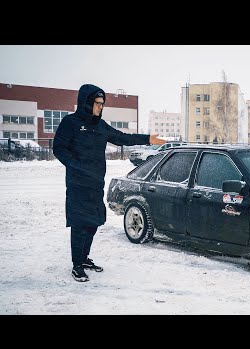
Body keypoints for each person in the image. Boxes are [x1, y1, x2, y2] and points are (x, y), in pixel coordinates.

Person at [53, 84, 166, 282]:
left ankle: (85, 258)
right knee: (80, 225)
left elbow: (122, 138)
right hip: (78, 184)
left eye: (102, 104)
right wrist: (75, 166)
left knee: (93, 223)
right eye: (97, 103)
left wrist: (148, 138)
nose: (100, 107)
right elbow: (59, 148)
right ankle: (77, 265)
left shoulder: (100, 125)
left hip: (96, 183)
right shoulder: (70, 123)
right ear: (86, 103)